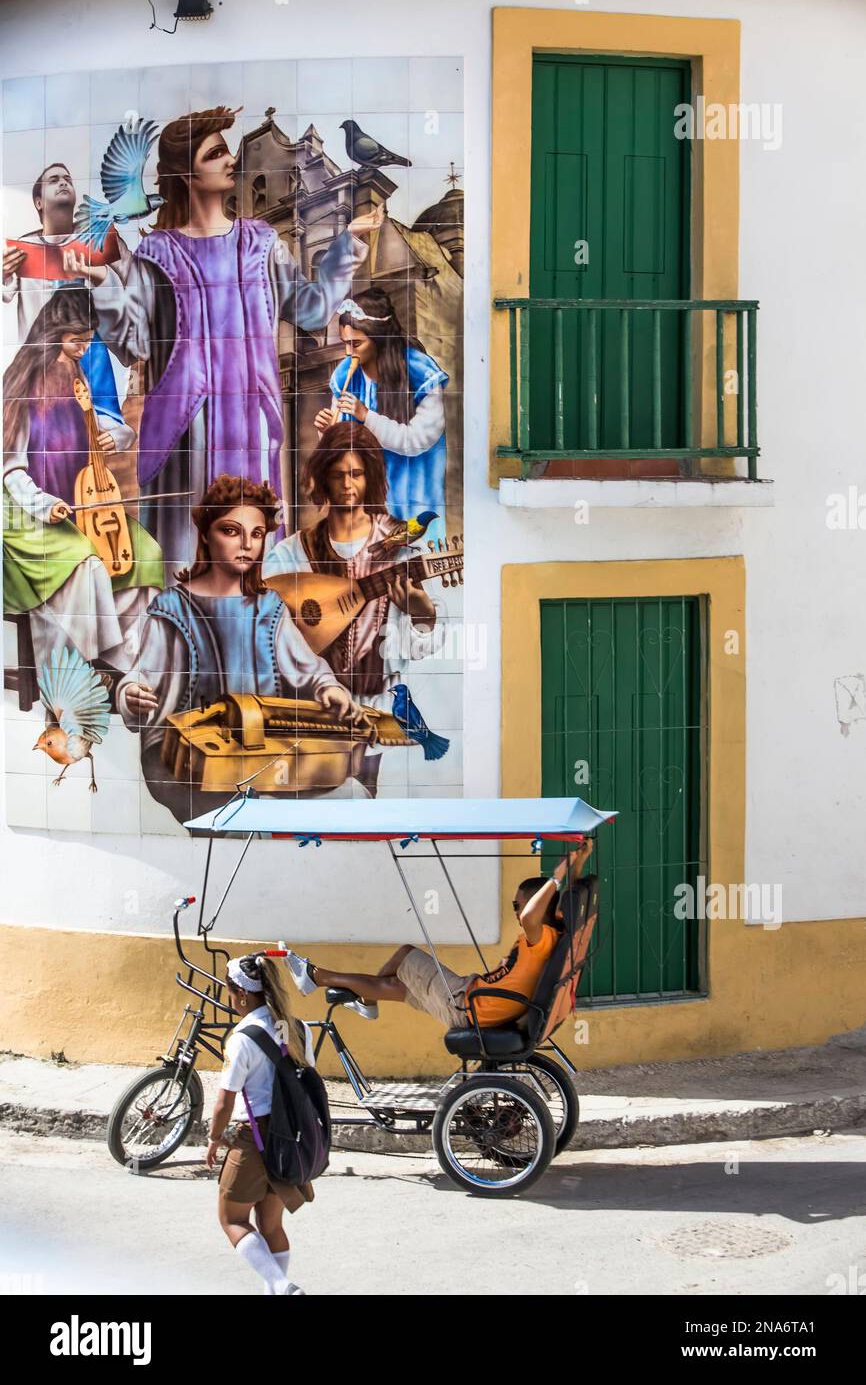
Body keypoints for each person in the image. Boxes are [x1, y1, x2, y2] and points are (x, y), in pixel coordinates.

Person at [67, 106, 383, 570]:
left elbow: (312, 308)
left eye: (226, 150)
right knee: (185, 558)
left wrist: (347, 244)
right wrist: (103, 283)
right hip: (184, 426)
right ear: (187, 175)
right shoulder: (157, 253)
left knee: (247, 556)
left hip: (248, 422)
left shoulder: (259, 243)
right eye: (215, 153)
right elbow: (133, 341)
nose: (230, 160)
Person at [117, 475, 370, 820]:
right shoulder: (172, 608)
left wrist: (329, 689)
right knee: (240, 810)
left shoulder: (269, 607)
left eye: (256, 534)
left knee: (349, 794)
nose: (246, 544)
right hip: (183, 757)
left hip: (259, 750)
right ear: (206, 534)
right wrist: (132, 692)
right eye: (231, 531)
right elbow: (142, 675)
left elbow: (308, 669)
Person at [263, 423, 441, 795]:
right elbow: (266, 626)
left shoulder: (399, 549)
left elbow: (418, 649)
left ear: (370, 476)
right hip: (315, 713)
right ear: (323, 477)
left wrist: (422, 613)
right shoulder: (293, 554)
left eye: (357, 474)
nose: (348, 484)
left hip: (379, 705)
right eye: (339, 474)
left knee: (372, 802)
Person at [2, 288, 163, 669]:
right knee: (86, 563)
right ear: (55, 333)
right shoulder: (21, 386)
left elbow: (109, 424)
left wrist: (110, 435)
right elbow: (9, 466)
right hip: (29, 511)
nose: (84, 348)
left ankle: (126, 662)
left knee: (147, 554)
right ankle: (81, 665)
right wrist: (44, 505)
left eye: (89, 339)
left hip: (83, 504)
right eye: (77, 340)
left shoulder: (79, 378)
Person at [285, 840, 594, 1028]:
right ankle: (347, 989)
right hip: (472, 999)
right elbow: (571, 898)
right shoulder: (560, 927)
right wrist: (577, 866)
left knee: (406, 954)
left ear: (536, 906)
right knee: (396, 985)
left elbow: (530, 915)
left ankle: (325, 979)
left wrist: (556, 875)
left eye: (518, 904)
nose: (516, 910)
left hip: (467, 1003)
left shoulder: (539, 938)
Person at [207, 950, 316, 1296]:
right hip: (290, 1139)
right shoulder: (298, 1028)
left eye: (229, 992)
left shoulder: (242, 1038)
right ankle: (276, 1291)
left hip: (254, 1137)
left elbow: (225, 1101)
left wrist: (212, 1137)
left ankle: (281, 1285)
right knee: (270, 1224)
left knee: (232, 1219)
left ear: (241, 993)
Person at [314, 289, 449, 543]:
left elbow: (415, 441)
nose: (348, 353)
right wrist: (328, 431)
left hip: (413, 490)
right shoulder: (346, 375)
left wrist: (365, 415)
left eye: (356, 344)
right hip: (367, 498)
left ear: (380, 339)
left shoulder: (420, 372)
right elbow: (344, 445)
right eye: (345, 343)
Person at [2, 161, 124, 419]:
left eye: (67, 178)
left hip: (90, 351)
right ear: (38, 202)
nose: (63, 182)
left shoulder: (93, 243)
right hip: (44, 357)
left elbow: (121, 295)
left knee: (101, 420)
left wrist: (94, 274)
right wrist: (4, 273)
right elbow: (6, 293)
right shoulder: (24, 249)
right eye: (54, 179)